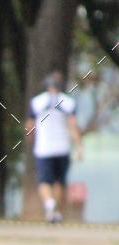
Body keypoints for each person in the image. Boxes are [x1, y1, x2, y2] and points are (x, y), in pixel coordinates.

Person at [25, 70, 83, 223]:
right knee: (59, 181)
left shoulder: (36, 102)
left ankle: (49, 204)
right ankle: (56, 211)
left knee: (44, 181)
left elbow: (30, 125)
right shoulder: (69, 102)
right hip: (62, 148)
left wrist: (30, 138)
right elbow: (73, 125)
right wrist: (79, 146)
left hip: (43, 148)